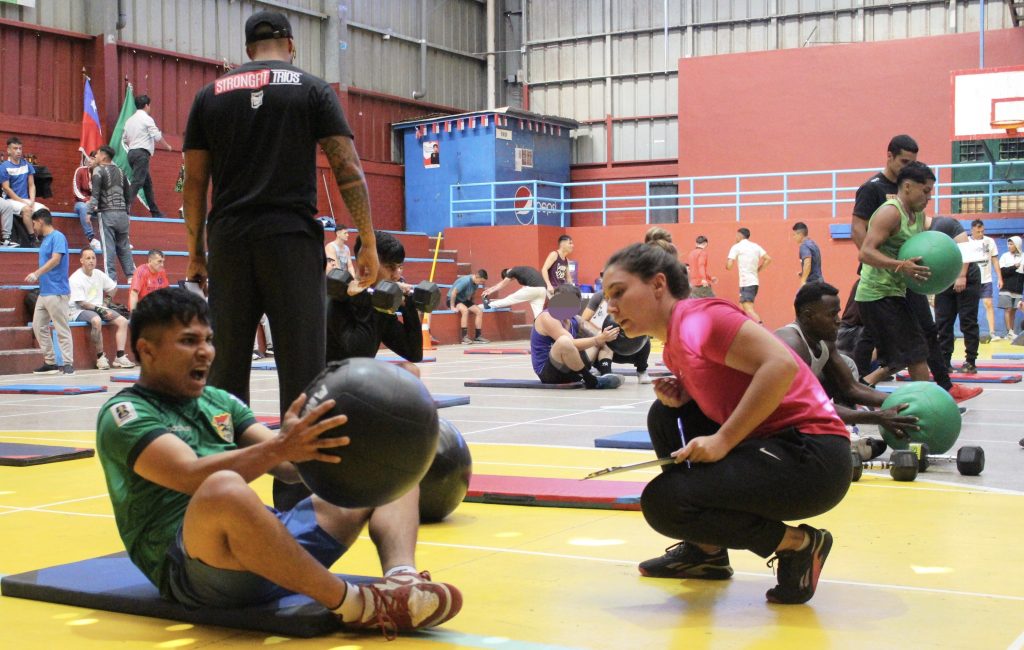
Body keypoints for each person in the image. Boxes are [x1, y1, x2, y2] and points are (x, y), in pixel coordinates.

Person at [95, 288, 461, 638]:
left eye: (208, 340)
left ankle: (402, 577)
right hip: (196, 571)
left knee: (385, 459)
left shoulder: (219, 401)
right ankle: (356, 605)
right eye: (189, 341)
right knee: (222, 488)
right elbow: (190, 476)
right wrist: (281, 447)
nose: (205, 352)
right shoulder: (125, 415)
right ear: (147, 350)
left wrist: (309, 441)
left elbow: (288, 466)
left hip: (269, 547)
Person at [602, 241, 850, 605]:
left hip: (813, 458)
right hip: (775, 447)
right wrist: (685, 395)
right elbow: (729, 385)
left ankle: (800, 545)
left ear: (658, 285)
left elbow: (780, 366)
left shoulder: (700, 319)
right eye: (608, 297)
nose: (611, 307)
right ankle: (707, 553)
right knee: (665, 413)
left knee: (664, 502)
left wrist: (722, 440)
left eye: (619, 293)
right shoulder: (674, 343)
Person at [183, 10, 380, 444]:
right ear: (291, 45)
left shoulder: (209, 95)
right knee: (302, 370)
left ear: (248, 50)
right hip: (290, 242)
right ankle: (299, 495)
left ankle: (224, 482)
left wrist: (196, 254)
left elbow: (194, 182)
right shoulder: (312, 89)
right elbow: (348, 169)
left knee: (224, 370)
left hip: (230, 241)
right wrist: (367, 240)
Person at [275, 232, 425, 510]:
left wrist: (410, 306)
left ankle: (391, 463)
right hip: (323, 388)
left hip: (353, 385)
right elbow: (355, 353)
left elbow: (413, 351)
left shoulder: (379, 301)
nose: (397, 274)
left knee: (410, 370)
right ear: (367, 261)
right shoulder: (340, 296)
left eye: (399, 268)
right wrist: (373, 306)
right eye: (391, 267)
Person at [855, 162, 982, 402]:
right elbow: (865, 253)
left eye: (931, 192)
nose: (928, 197)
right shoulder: (890, 212)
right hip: (877, 295)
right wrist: (900, 266)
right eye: (925, 191)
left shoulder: (918, 215)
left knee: (909, 352)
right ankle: (930, 407)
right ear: (907, 186)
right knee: (915, 353)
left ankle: (856, 390)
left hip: (896, 293)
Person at [774, 282, 918, 457]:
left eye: (838, 312)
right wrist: (877, 417)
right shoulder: (792, 344)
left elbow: (850, 388)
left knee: (845, 366)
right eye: (832, 314)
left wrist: (903, 401)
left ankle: (844, 435)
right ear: (807, 316)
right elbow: (807, 405)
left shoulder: (824, 340)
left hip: (797, 410)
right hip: (768, 422)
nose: (838, 320)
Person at [530, 284, 622, 389]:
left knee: (605, 338)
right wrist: (597, 339)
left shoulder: (575, 319)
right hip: (550, 373)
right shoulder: (548, 317)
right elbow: (570, 344)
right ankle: (591, 380)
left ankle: (606, 373)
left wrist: (607, 335)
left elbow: (596, 334)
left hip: (572, 369)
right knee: (564, 342)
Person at [929, 217, 980, 374]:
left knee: (967, 320)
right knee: (943, 322)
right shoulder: (917, 232)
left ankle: (970, 361)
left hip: (966, 276)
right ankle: (945, 361)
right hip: (946, 278)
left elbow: (964, 247)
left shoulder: (944, 223)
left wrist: (961, 275)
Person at [25, 210, 73, 374]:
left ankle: (68, 364)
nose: (33, 227)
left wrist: (36, 273)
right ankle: (50, 362)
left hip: (57, 290)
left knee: (61, 328)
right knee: (39, 326)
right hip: (44, 292)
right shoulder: (45, 241)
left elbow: (56, 259)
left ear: (40, 221)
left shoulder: (57, 237)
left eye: (34, 223)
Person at [68, 248, 134, 370]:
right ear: (81, 260)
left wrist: (105, 303)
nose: (91, 261)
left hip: (98, 307)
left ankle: (119, 357)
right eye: (88, 258)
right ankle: (100, 358)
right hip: (78, 310)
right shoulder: (75, 278)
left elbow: (113, 288)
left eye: (93, 258)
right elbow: (82, 303)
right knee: (96, 320)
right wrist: (102, 310)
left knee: (123, 321)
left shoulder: (98, 273)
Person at [581, 288, 652, 384]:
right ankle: (604, 371)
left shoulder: (632, 299)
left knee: (644, 337)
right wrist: (599, 333)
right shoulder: (598, 297)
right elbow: (583, 321)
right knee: (606, 336)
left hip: (629, 346)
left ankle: (642, 370)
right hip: (606, 343)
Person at [89, 145, 136, 282]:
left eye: (97, 154)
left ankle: (111, 279)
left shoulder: (98, 170)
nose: (95, 157)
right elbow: (128, 196)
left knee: (108, 249)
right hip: (122, 214)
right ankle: (131, 275)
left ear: (103, 156)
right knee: (124, 246)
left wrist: (88, 211)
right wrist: (127, 213)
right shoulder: (122, 172)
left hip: (107, 214)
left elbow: (95, 195)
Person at [123, 94, 173, 217]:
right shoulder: (147, 119)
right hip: (141, 153)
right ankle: (123, 207)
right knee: (138, 181)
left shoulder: (129, 120)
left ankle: (155, 212)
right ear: (146, 105)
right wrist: (167, 146)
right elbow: (157, 136)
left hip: (131, 153)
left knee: (147, 184)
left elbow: (124, 139)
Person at [1, 136, 50, 245]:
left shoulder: (27, 165)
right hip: (10, 201)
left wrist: (32, 200)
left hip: (26, 200)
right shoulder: (4, 167)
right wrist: (23, 202)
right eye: (15, 148)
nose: (18, 151)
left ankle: (43, 237)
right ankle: (33, 239)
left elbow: (32, 185)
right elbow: (6, 188)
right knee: (27, 210)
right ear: (8, 150)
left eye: (20, 148)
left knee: (45, 210)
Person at [725, 227, 771, 323]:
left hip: (746, 283)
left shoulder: (736, 247)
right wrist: (758, 269)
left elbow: (729, 266)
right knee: (741, 310)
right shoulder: (756, 246)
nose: (735, 237)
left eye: (736, 235)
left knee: (749, 309)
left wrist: (727, 264)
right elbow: (768, 259)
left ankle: (762, 330)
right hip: (753, 282)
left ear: (739, 235)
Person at [968, 220, 1002, 339]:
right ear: (972, 230)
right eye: (978, 232)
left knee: (988, 303)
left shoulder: (990, 241)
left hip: (986, 279)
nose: (980, 233)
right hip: (971, 280)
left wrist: (1000, 278)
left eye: (982, 231)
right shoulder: (966, 242)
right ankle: (971, 333)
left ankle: (992, 333)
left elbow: (995, 260)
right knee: (971, 307)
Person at [481, 266, 547, 318]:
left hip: (533, 289)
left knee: (509, 299)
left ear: (507, 274)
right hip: (543, 290)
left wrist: (489, 291)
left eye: (509, 279)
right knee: (538, 316)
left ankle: (487, 306)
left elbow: (502, 284)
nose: (511, 280)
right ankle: (542, 332)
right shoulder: (522, 273)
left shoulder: (512, 271)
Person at [73, 151, 103, 252]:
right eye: (90, 158)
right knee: (83, 207)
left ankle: (118, 240)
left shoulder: (101, 174)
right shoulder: (80, 171)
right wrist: (87, 201)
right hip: (81, 203)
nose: (90, 160)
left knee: (110, 209)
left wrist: (96, 204)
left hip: (95, 205)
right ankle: (92, 239)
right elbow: (76, 190)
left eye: (93, 158)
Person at [448, 270, 489, 344]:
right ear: (477, 276)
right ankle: (464, 338)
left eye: (483, 282)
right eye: (481, 281)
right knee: (465, 310)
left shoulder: (476, 284)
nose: (481, 284)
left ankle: (478, 337)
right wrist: (452, 306)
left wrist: (471, 304)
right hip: (454, 299)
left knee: (479, 311)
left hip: (464, 300)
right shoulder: (465, 281)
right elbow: (454, 292)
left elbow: (471, 295)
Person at [998, 236, 1024, 339]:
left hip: (1017, 288)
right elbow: (1002, 272)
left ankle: (1011, 332)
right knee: (1008, 309)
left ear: (1017, 245)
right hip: (1006, 287)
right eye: (1008, 244)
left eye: (1011, 244)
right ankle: (1009, 331)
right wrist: (1014, 266)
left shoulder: (1023, 256)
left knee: (1014, 309)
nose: (1009, 246)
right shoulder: (1004, 256)